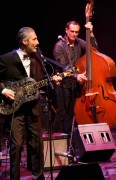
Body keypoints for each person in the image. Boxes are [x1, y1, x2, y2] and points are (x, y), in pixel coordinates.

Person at [0, 27, 61, 180]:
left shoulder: (37, 58)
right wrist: (3, 90)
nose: (38, 42)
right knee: (17, 145)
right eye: (34, 39)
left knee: (37, 145)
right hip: (15, 109)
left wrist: (53, 81)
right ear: (24, 41)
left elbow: (39, 83)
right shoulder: (7, 58)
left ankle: (38, 177)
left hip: (33, 107)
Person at [52, 20, 98, 161]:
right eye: (71, 31)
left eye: (76, 32)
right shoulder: (59, 46)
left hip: (75, 85)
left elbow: (94, 49)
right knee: (62, 114)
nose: (74, 34)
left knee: (73, 115)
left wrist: (91, 33)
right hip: (63, 84)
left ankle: (72, 146)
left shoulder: (79, 42)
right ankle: (57, 145)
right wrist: (77, 75)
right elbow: (64, 66)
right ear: (66, 30)